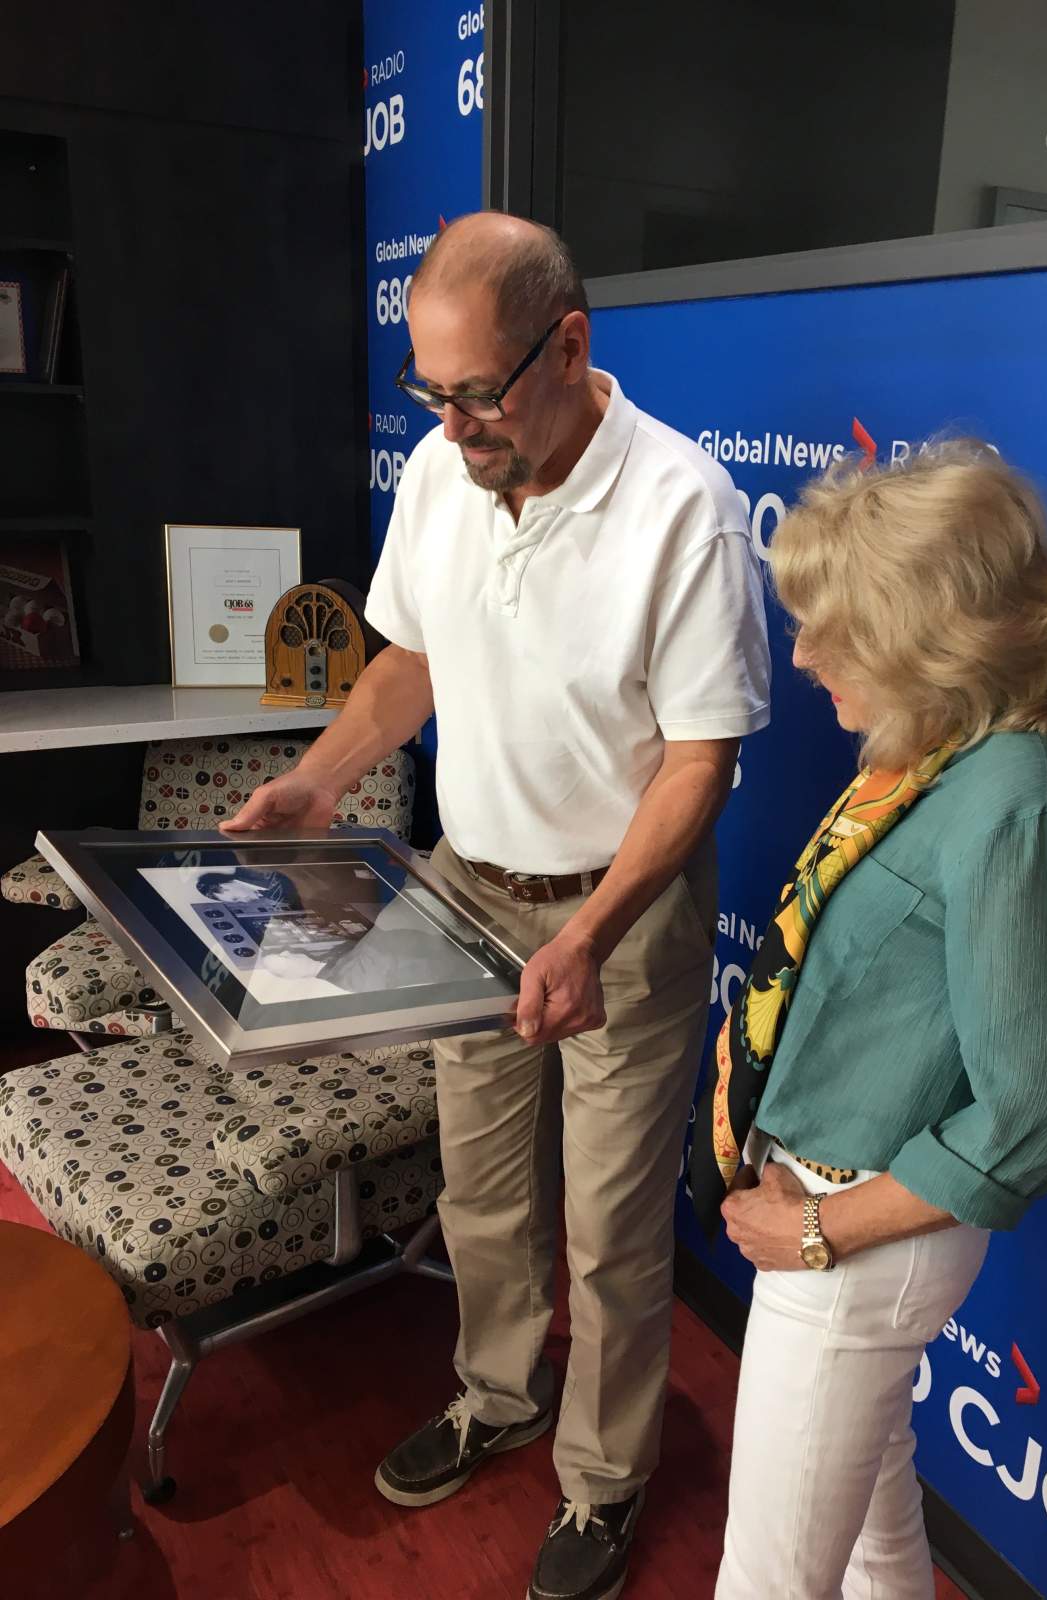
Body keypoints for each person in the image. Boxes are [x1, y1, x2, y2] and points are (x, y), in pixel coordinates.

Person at [223, 211, 770, 1600]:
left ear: (569, 347)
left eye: (478, 393)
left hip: (621, 916)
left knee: (614, 1225)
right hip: (468, 886)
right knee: (482, 1192)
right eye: (431, 392)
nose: (454, 427)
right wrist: (318, 780)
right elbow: (410, 661)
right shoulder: (440, 471)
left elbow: (700, 763)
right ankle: (500, 1396)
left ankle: (605, 1478)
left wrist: (588, 935)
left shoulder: (685, 507)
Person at [689, 440, 1047, 1600]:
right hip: (830, 1210)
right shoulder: (942, 746)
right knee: (878, 1530)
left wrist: (820, 1230)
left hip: (859, 1239)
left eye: (836, 632)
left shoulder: (1021, 799)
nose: (801, 655)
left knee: (768, 1580)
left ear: (935, 637)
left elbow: (1041, 1107)